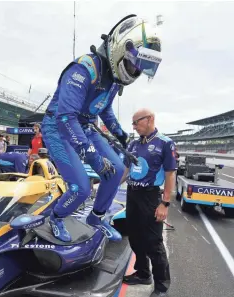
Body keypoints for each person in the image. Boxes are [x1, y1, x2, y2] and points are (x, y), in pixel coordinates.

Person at [41, 14, 162, 242]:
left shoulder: (114, 79)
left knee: (115, 170)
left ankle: (96, 218)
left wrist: (119, 133)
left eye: (140, 68)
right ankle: (56, 218)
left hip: (84, 126)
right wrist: (91, 154)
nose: (134, 72)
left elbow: (103, 109)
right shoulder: (83, 69)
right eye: (133, 65)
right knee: (81, 188)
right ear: (119, 49)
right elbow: (65, 117)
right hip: (58, 128)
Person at [121, 108, 177, 297]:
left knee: (154, 242)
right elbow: (126, 170)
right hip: (132, 194)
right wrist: (110, 185)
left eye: (136, 122)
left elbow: (170, 175)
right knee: (135, 237)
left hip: (151, 196)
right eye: (133, 124)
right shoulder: (133, 144)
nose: (134, 127)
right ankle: (143, 273)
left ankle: (162, 287)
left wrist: (165, 203)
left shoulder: (165, 143)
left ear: (150, 119)